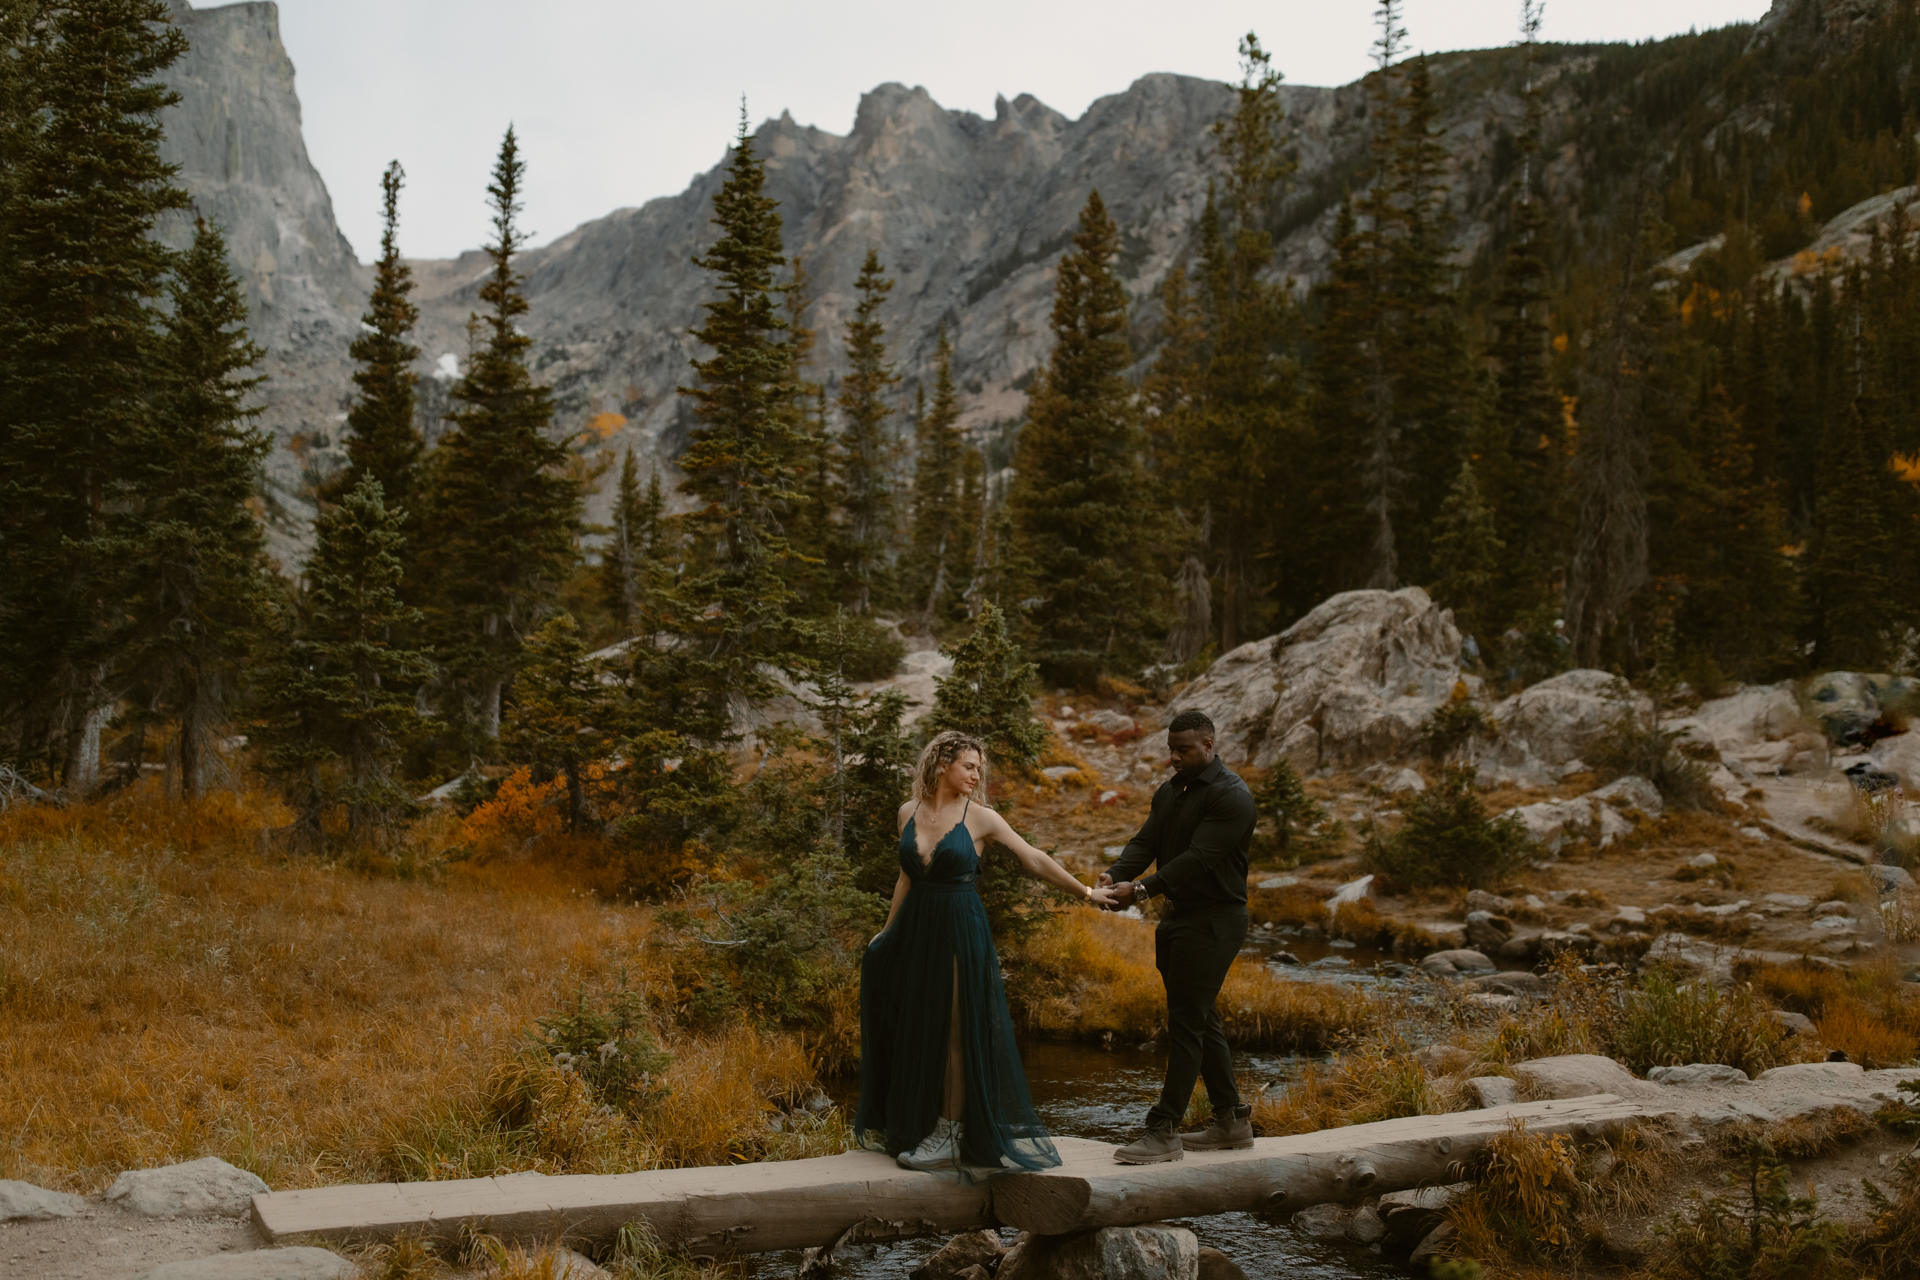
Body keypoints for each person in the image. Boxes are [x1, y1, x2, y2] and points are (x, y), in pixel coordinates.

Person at [857, 729, 1119, 1179]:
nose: (977, 775)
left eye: (979, 768)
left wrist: (1086, 890)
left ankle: (952, 1133)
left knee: (958, 1030)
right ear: (942, 765)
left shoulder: (981, 818)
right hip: (917, 927)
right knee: (920, 1024)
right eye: (969, 766)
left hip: (960, 926)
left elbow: (1032, 858)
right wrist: (886, 933)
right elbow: (905, 878)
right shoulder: (908, 812)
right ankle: (920, 1124)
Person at [1099, 709, 1258, 1164]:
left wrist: (1143, 889)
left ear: (1209, 745)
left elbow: (1198, 857)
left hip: (1215, 922)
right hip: (1178, 919)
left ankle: (1164, 1130)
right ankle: (1231, 1120)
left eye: (1183, 749)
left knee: (1187, 1021)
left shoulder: (1233, 797)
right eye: (1171, 749)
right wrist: (1116, 873)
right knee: (1200, 1017)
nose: (1174, 757)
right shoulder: (1170, 792)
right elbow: (1146, 842)